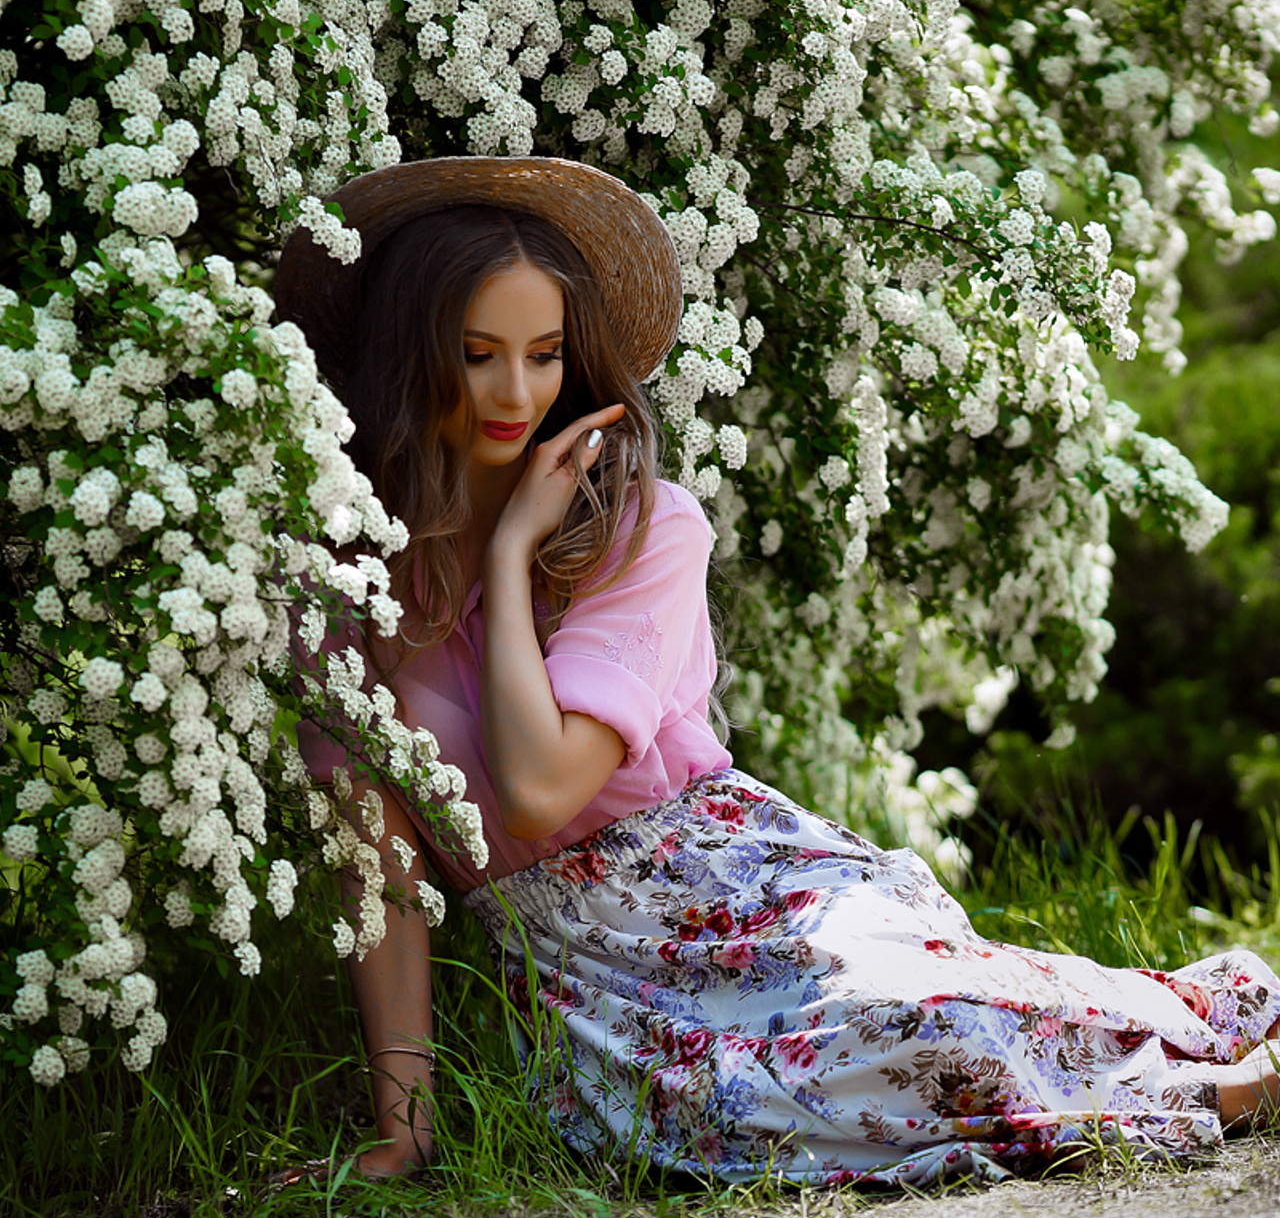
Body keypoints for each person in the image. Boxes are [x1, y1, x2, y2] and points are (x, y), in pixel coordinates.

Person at [274, 157, 1280, 1189]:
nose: (516, 393)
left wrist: (503, 551)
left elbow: (536, 788)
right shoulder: (346, 594)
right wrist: (408, 1122)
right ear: (410, 352)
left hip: (740, 886)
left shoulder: (639, 531)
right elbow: (379, 874)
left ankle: (1221, 1078)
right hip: (586, 981)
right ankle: (1159, 1063)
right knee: (746, 1112)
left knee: (902, 1014)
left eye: (543, 354)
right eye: (478, 353)